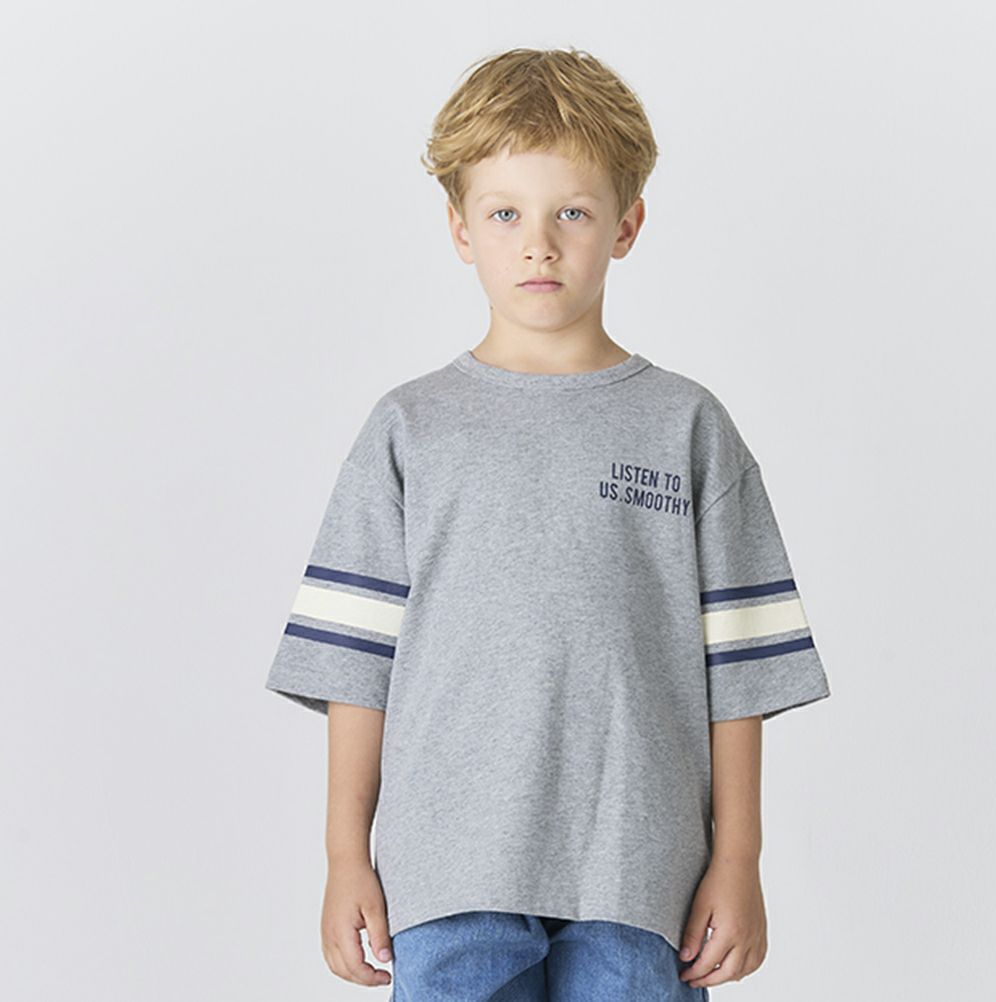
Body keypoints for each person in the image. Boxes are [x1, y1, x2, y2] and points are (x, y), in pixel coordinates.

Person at [264, 46, 832, 1000]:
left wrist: (739, 861)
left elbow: (740, 671)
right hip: (448, 870)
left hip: (640, 872)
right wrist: (343, 858)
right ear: (459, 228)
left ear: (626, 224)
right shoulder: (409, 428)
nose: (538, 244)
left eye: (571, 212)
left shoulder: (688, 426)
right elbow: (355, 666)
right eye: (505, 214)